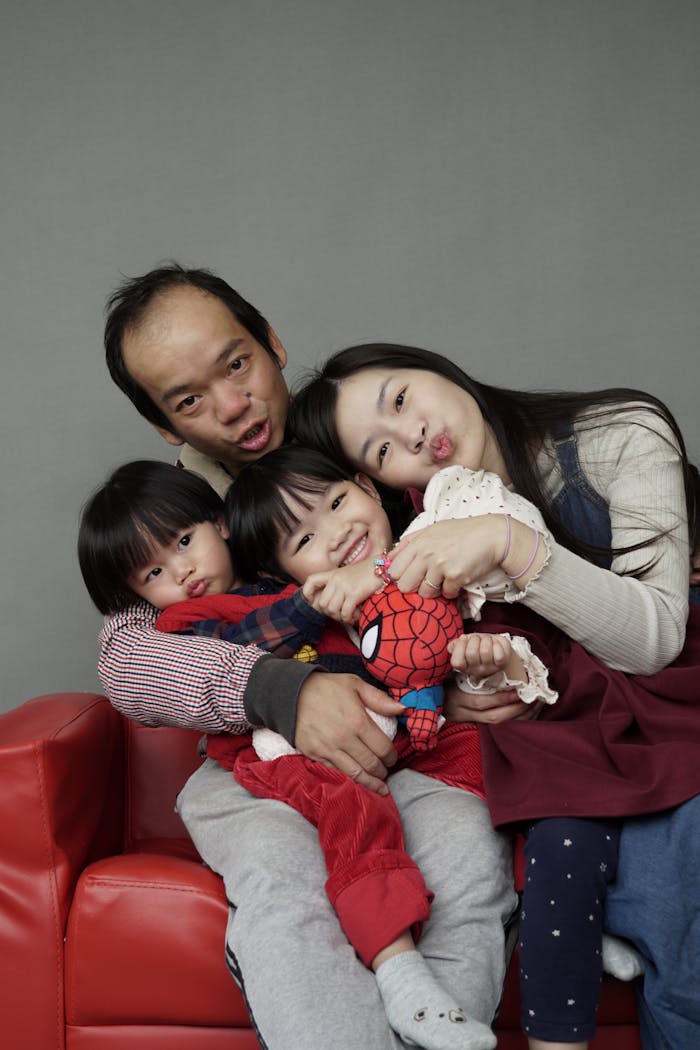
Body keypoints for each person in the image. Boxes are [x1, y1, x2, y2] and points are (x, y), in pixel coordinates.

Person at [98, 266, 519, 1050]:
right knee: (283, 876)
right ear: (163, 425)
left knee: (465, 855)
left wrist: (448, 685)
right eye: (187, 400)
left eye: (237, 364)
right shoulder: (178, 517)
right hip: (261, 762)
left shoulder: (372, 451)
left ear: (272, 343)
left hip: (410, 745)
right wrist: (281, 689)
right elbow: (127, 659)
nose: (231, 405)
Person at [288, 342, 700, 1050]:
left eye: (400, 398)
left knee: (674, 898)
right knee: (572, 854)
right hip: (559, 743)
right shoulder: (421, 522)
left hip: (670, 706)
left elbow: (656, 638)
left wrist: (511, 545)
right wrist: (448, 691)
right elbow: (412, 653)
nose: (412, 434)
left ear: (438, 369)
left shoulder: (617, 435)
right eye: (383, 450)